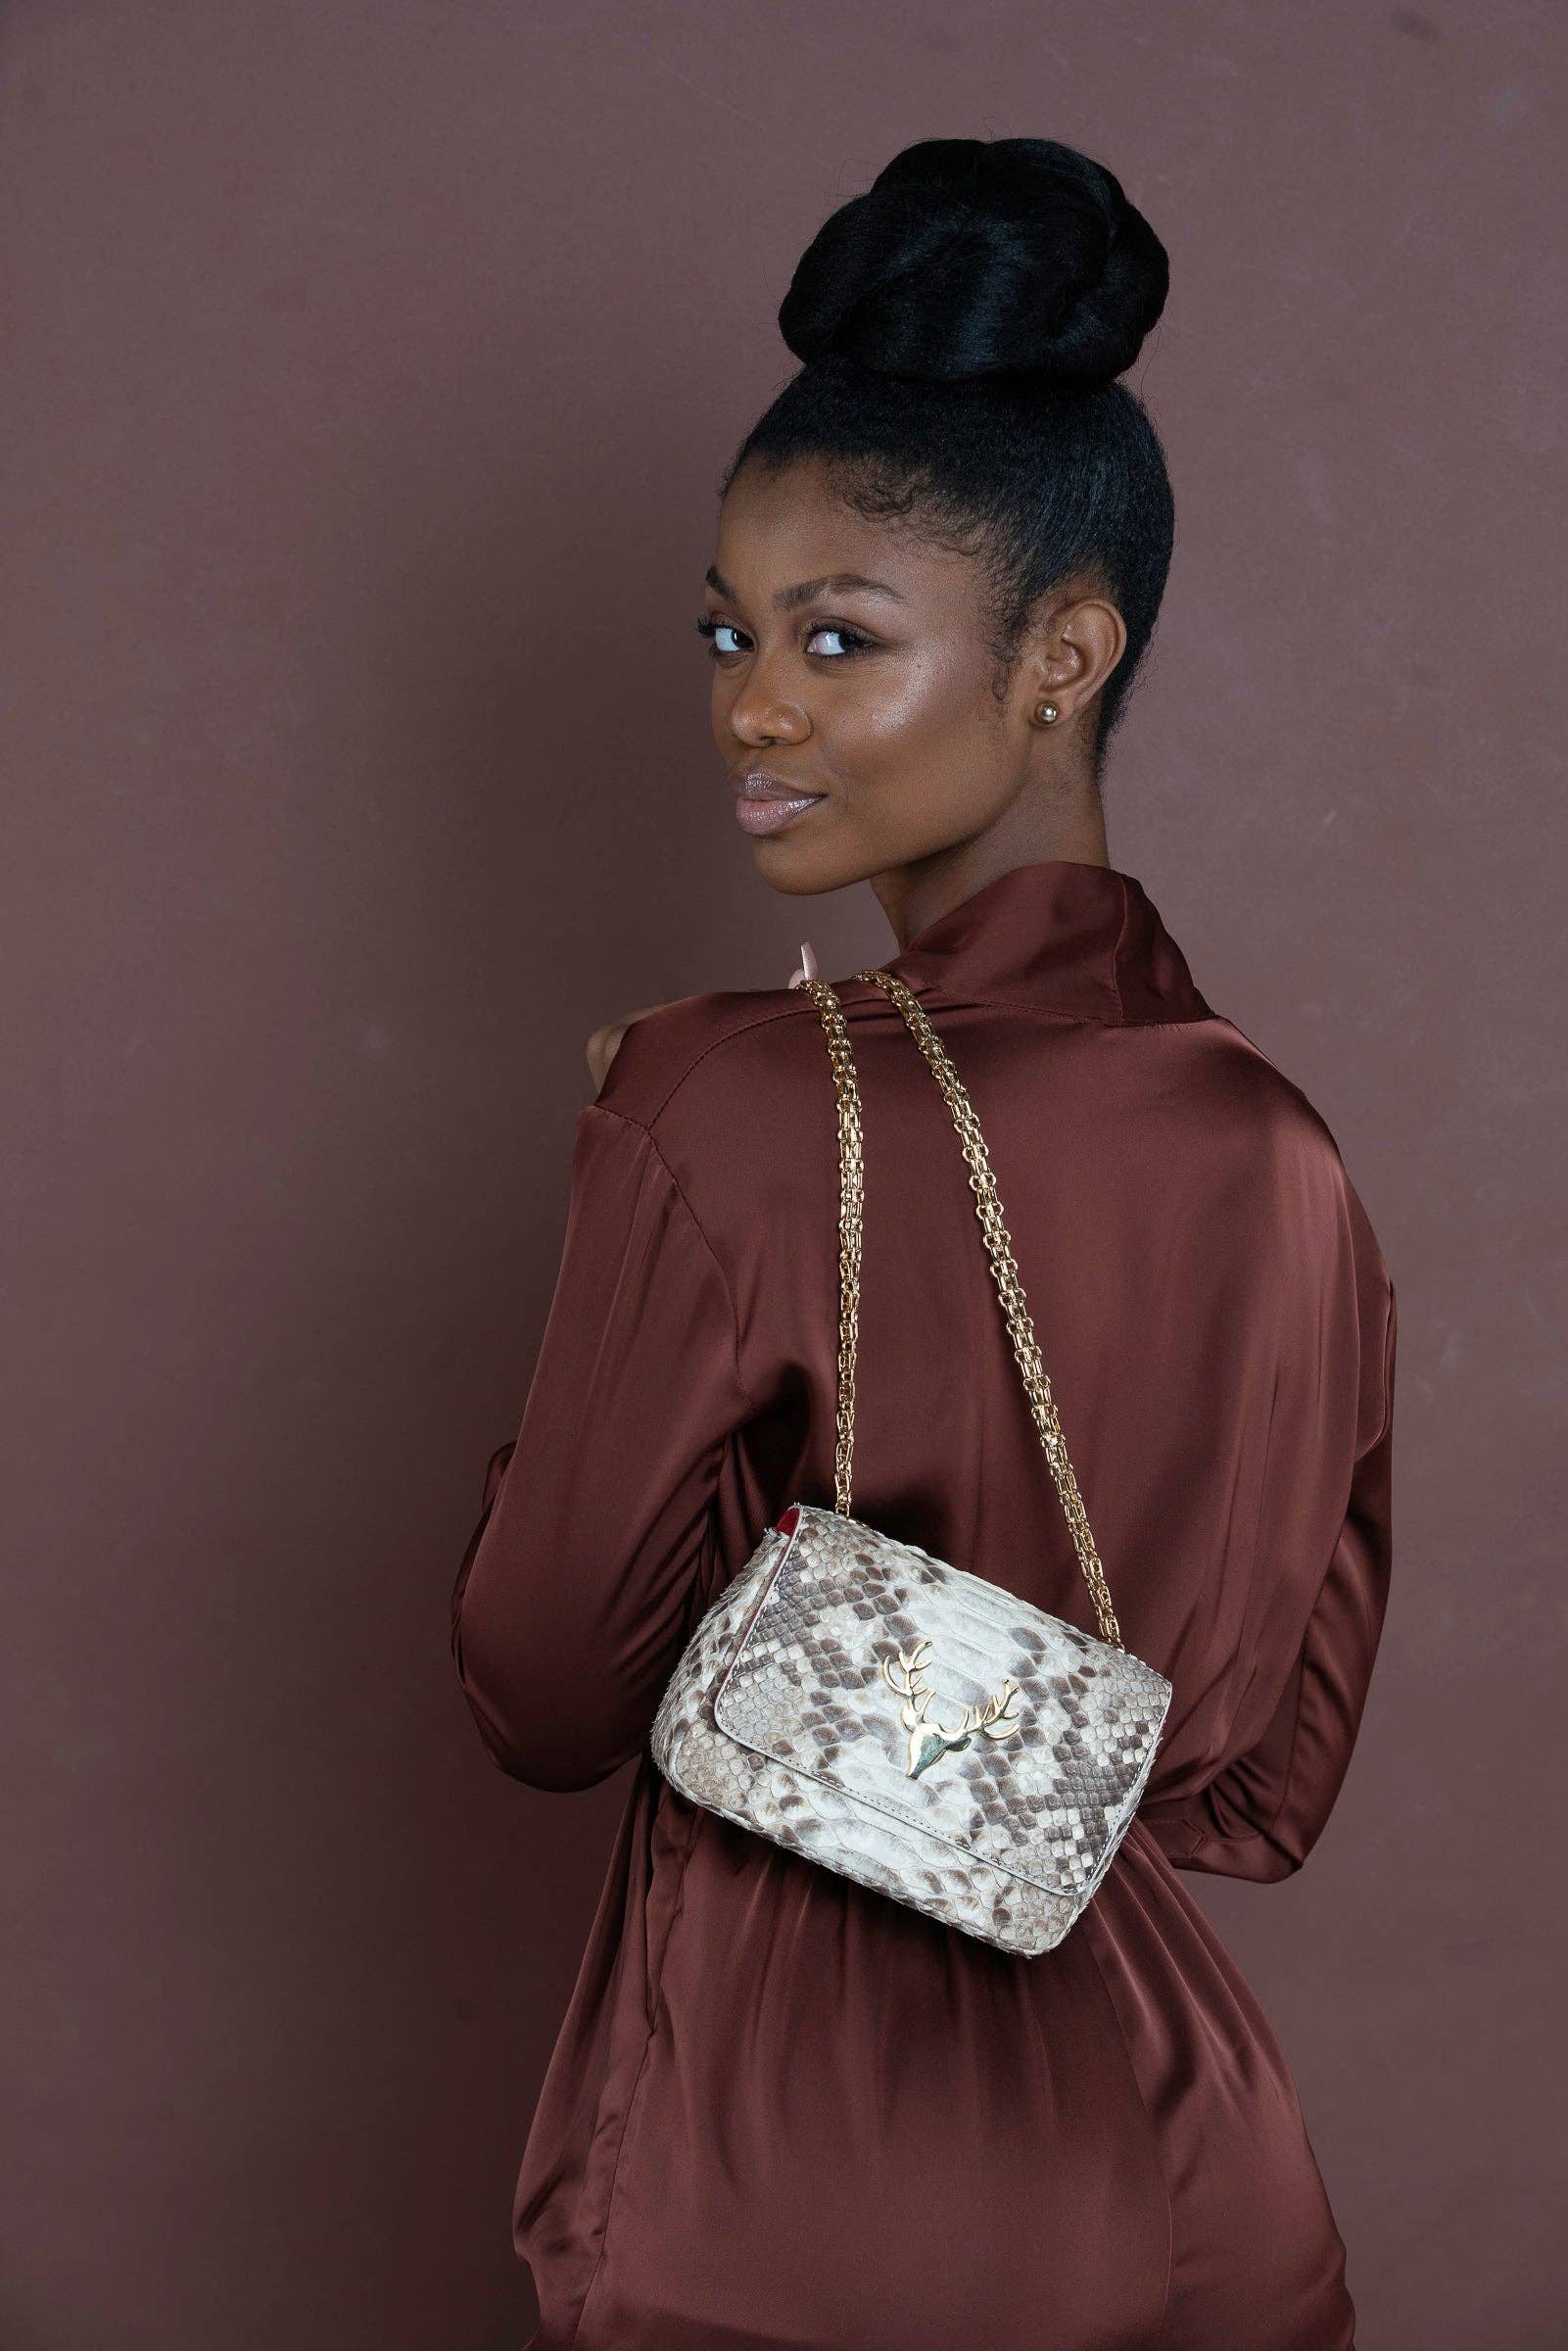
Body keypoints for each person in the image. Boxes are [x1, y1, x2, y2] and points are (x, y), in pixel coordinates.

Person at [450, 136, 1397, 2351]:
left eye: (838, 639)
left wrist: (646, 1191)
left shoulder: (721, 1101)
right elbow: (1265, 1789)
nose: (751, 705)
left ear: (1063, 654)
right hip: (1196, 2183)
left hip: (786, 2177)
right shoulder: (1287, 1154)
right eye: (731, 630)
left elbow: (542, 1688)